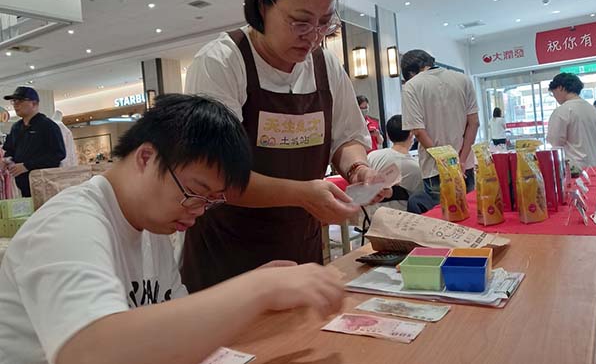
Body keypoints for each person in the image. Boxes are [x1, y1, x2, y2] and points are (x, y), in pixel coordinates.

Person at [0, 94, 345, 364]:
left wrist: (255, 296)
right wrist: (257, 290)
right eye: (194, 192)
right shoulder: (70, 224)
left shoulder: (154, 226)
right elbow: (89, 352)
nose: (198, 211)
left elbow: (174, 326)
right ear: (146, 158)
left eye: (210, 201)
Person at [183, 0, 387, 291]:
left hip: (299, 247)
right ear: (263, 2)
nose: (314, 36)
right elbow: (217, 176)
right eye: (300, 21)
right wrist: (304, 194)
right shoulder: (222, 62)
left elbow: (347, 138)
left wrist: (358, 169)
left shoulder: (325, 66)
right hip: (228, 257)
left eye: (325, 23)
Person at [400, 50, 480, 204]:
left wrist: (446, 163)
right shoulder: (463, 79)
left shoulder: (412, 86)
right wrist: (461, 161)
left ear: (410, 72)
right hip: (465, 166)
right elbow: (474, 123)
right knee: (469, 213)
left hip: (435, 169)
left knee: (443, 216)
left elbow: (418, 131)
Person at [1, 87, 65, 196]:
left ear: (34, 103)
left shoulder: (48, 125)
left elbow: (58, 154)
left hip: (45, 185)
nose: (15, 104)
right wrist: (6, 160)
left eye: (20, 100)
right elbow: (9, 149)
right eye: (14, 101)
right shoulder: (16, 127)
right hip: (22, 186)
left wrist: (27, 166)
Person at [547, 73, 596, 168]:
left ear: (560, 88)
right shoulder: (593, 109)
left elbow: (555, 142)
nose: (554, 96)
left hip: (576, 169)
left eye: (553, 92)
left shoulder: (562, 111)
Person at [367, 115, 423, 195]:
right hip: (401, 203)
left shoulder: (372, 156)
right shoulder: (416, 168)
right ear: (411, 134)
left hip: (369, 202)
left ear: (388, 135)